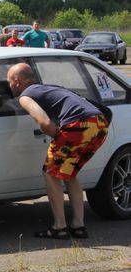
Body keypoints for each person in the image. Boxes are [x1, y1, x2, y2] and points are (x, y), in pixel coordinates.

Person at [6, 63, 108, 240]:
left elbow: (44, 122)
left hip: (78, 125)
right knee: (69, 172)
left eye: (8, 82)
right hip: (99, 123)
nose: (8, 86)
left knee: (50, 173)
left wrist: (58, 136)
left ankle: (59, 227)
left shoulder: (26, 96)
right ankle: (78, 226)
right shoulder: (47, 88)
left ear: (17, 81)